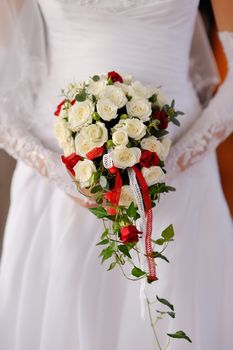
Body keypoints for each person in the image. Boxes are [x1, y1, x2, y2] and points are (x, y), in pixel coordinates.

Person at [0, 0, 232, 349]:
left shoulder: (179, 165)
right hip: (54, 175)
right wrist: (54, 170)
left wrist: (173, 164)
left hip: (182, 178)